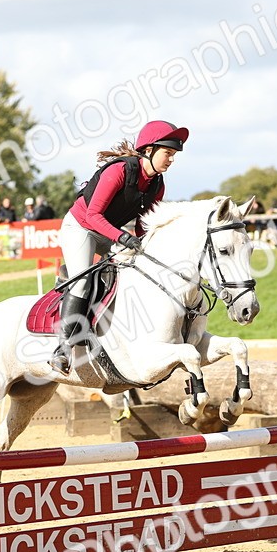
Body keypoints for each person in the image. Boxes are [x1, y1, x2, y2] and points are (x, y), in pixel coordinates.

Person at [49, 119, 187, 374]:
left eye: (173, 155)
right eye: (168, 153)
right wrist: (123, 238)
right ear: (149, 150)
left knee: (136, 273)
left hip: (109, 232)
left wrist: (147, 247)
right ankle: (64, 348)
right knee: (82, 281)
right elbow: (92, 216)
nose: (171, 159)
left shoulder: (157, 184)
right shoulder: (120, 171)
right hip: (81, 227)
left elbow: (144, 224)